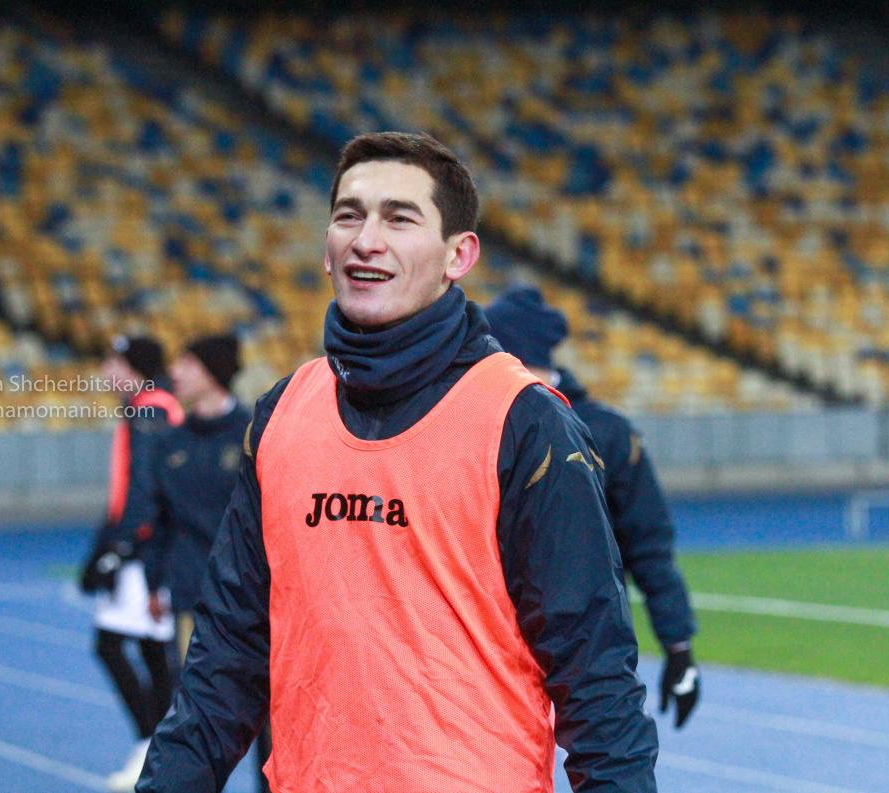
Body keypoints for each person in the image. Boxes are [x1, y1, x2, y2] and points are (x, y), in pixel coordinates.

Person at [138, 131, 658, 793]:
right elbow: (227, 652)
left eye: (399, 218)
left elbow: (596, 675)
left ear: (458, 256)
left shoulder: (525, 422)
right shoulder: (283, 413)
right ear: (326, 247)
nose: (366, 239)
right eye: (349, 215)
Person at [485, 286, 701, 729]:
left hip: (584, 647)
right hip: (500, 650)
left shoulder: (608, 434)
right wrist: (678, 647)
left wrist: (679, 646)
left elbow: (648, 546)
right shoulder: (472, 419)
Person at [113, 335, 269, 791]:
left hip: (260, 600)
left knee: (275, 721)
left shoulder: (256, 434)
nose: (176, 371)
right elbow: (159, 519)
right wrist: (153, 582)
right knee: (196, 714)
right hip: (191, 598)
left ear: (214, 371)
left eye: (188, 362)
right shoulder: (170, 442)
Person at [78, 335, 182, 792]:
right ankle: (155, 746)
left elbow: (145, 488)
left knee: (128, 647)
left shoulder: (151, 410)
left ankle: (151, 744)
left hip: (147, 551)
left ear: (135, 367)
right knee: (148, 650)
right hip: (143, 547)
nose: (107, 371)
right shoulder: (143, 407)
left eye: (114, 362)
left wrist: (117, 549)